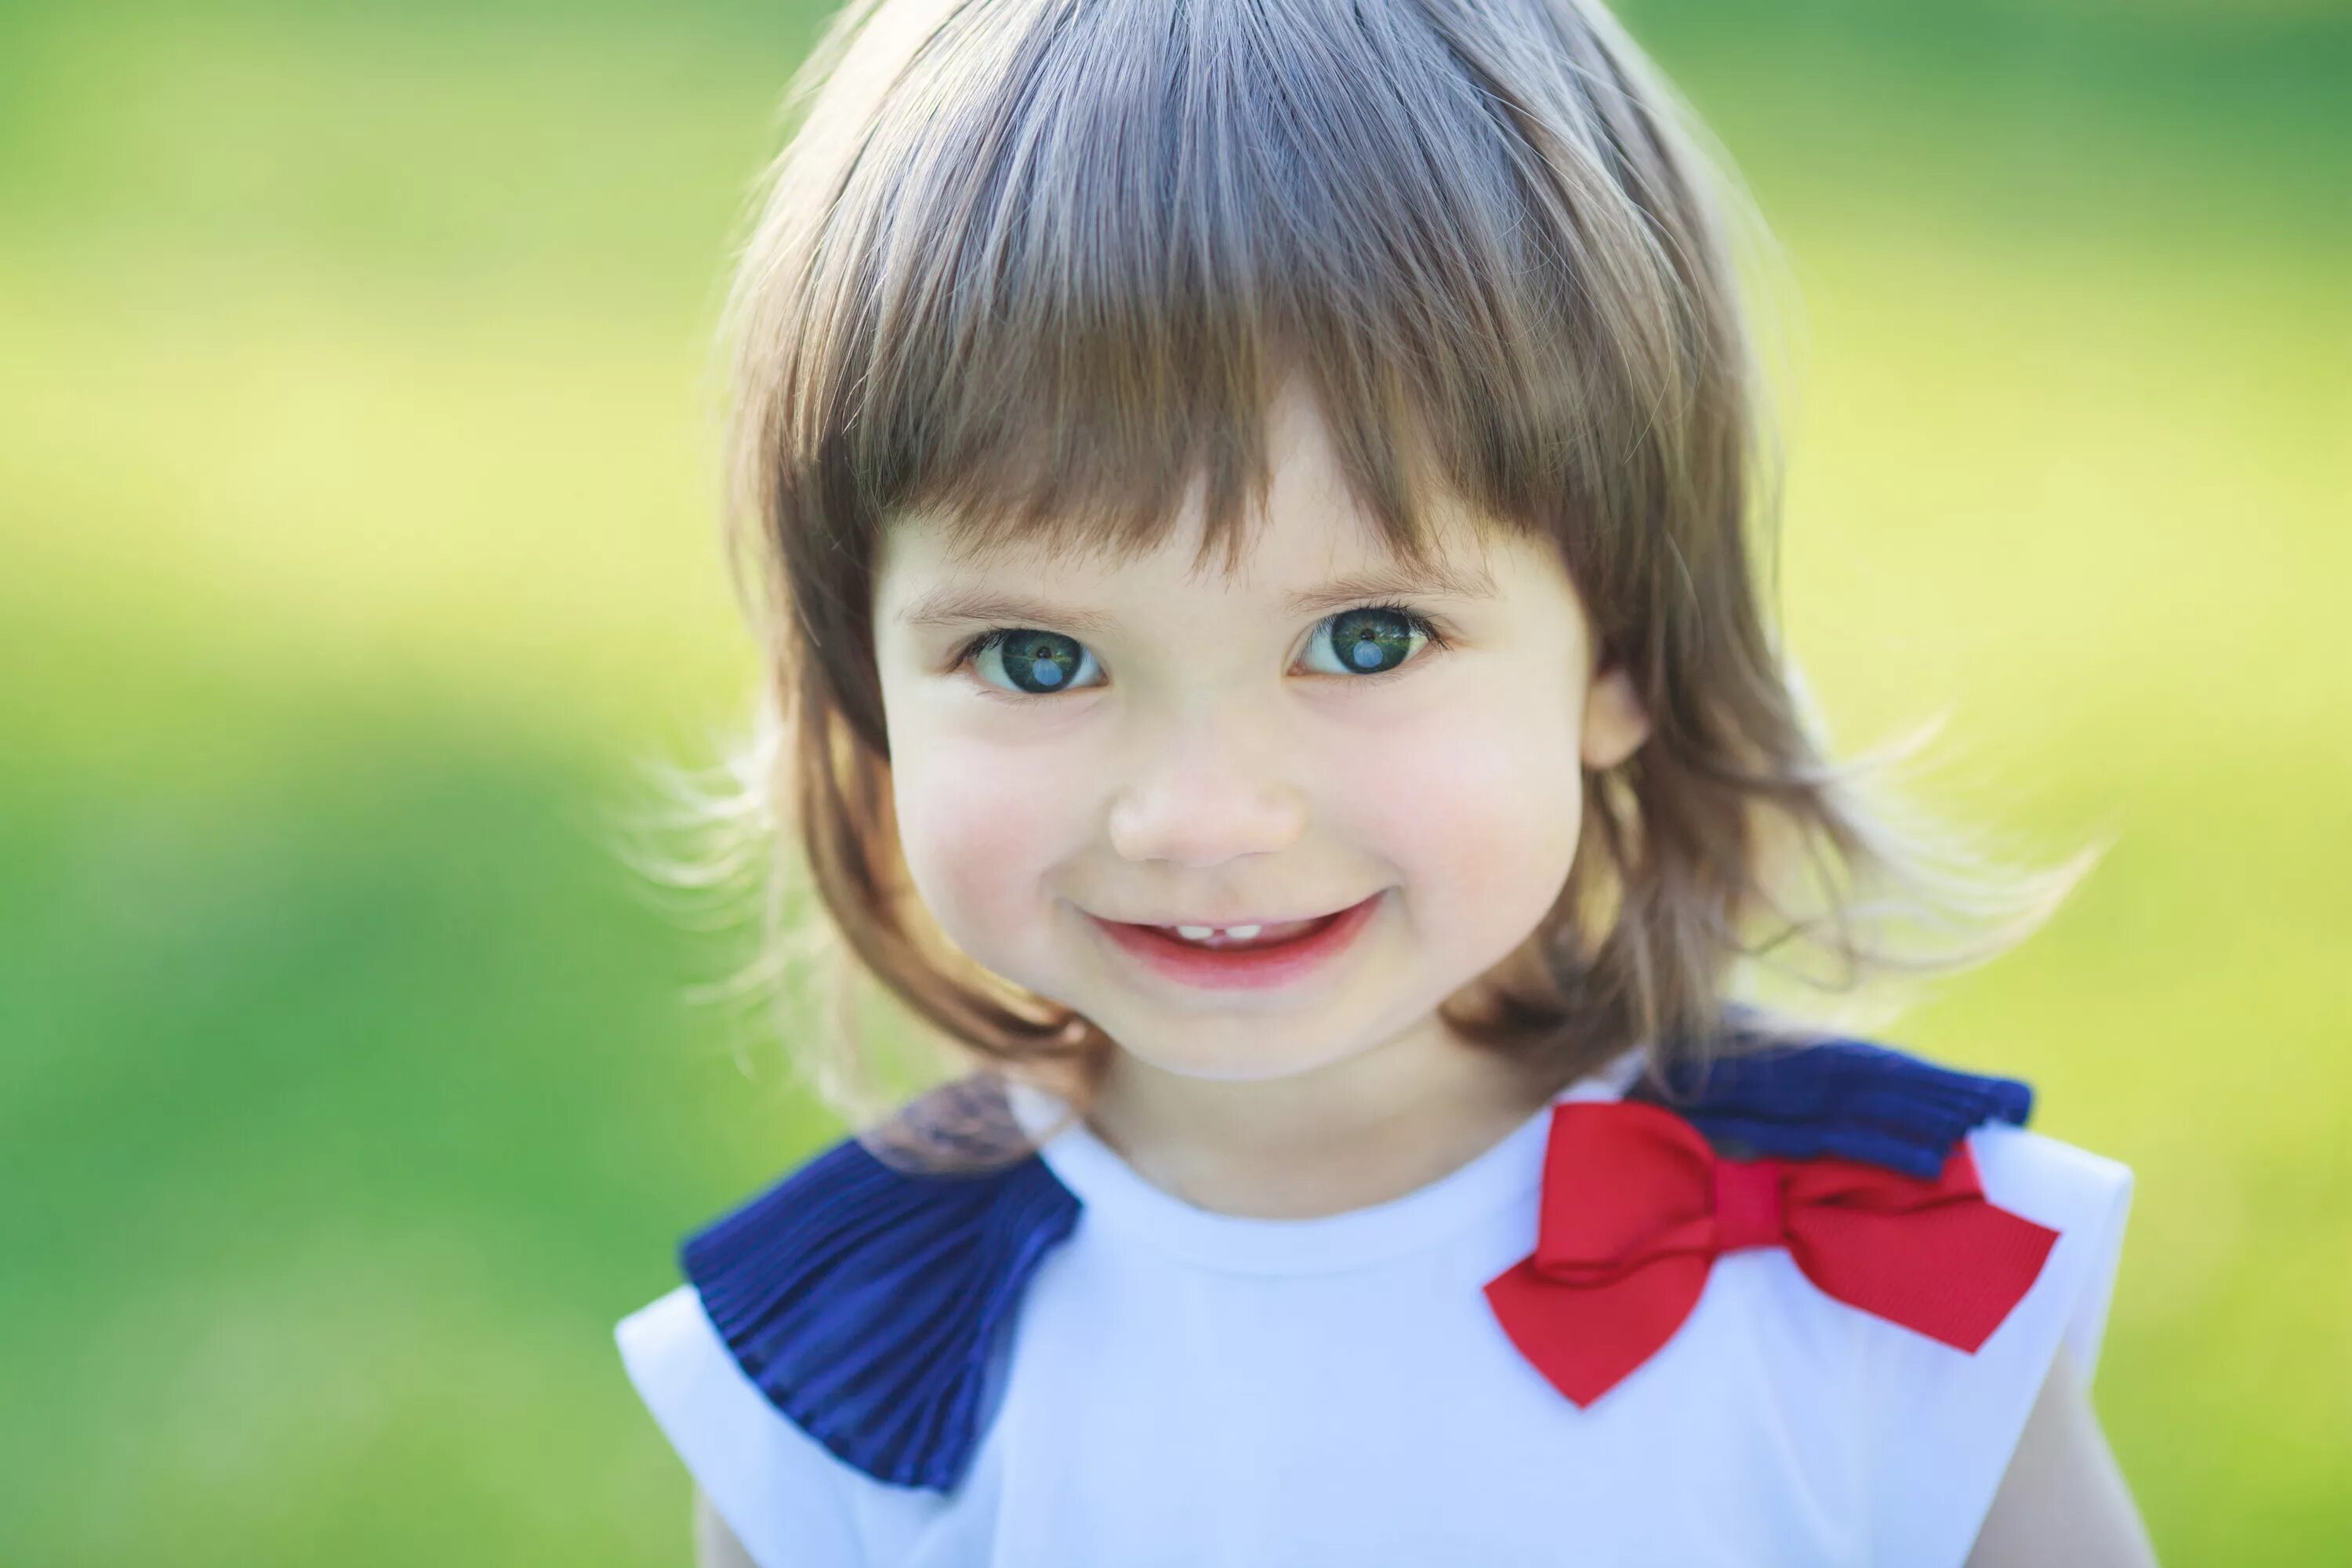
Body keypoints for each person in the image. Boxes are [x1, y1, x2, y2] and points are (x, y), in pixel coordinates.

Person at [613, 0, 2157, 1562]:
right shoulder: (851, 1362)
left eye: (1364, 638)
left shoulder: (1881, 1259)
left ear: (1621, 646)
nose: (1202, 818)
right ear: (865, 682)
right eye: (1034, 657)